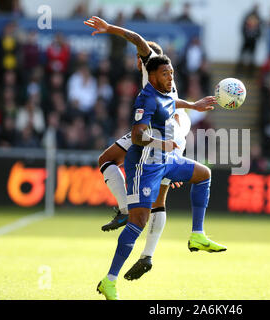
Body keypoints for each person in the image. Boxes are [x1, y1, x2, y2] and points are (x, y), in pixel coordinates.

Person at [84, 16, 218, 282]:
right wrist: (194, 105)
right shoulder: (164, 84)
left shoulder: (151, 66)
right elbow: (172, 102)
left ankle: (131, 222)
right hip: (170, 131)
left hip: (165, 135)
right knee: (144, 188)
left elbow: (138, 40)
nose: (137, 61)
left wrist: (109, 29)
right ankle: (147, 252)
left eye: (139, 58)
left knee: (141, 191)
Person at [95, 55, 226, 300]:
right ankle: (109, 280)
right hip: (146, 164)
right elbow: (136, 136)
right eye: (166, 74)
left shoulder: (166, 94)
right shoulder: (146, 97)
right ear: (152, 74)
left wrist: (194, 105)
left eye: (172, 74)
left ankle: (197, 234)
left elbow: (172, 102)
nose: (170, 78)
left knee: (203, 174)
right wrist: (160, 142)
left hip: (167, 158)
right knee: (139, 221)